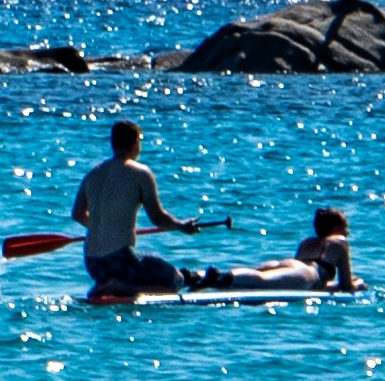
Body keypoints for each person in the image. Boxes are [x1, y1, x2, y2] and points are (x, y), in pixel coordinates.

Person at [73, 121, 216, 299]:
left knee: (144, 262)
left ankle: (109, 284)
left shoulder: (93, 174)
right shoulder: (140, 173)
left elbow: (77, 214)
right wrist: (181, 225)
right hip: (120, 262)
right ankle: (121, 287)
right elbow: (157, 218)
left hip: (93, 264)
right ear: (135, 143)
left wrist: (102, 226)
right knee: (176, 280)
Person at [190, 206, 364, 295]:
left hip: (291, 264)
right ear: (336, 227)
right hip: (306, 272)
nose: (347, 232)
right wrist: (358, 284)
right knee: (262, 280)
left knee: (257, 274)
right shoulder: (340, 242)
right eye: (345, 227)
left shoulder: (307, 242)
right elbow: (346, 287)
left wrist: (331, 286)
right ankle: (220, 277)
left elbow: (314, 284)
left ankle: (197, 276)